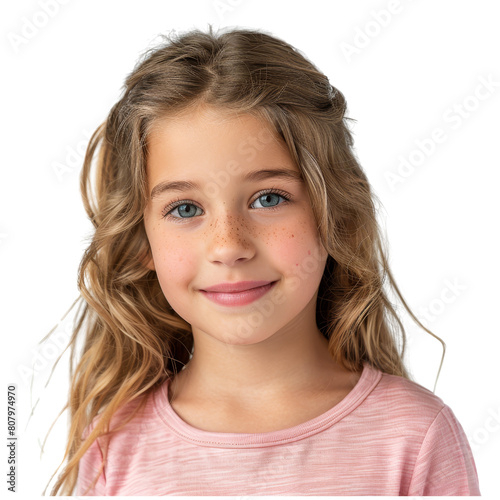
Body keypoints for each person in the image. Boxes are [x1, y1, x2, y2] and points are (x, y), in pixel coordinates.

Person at [48, 25, 480, 495]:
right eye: (186, 209)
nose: (228, 245)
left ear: (334, 213)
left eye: (268, 198)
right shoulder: (113, 446)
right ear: (139, 241)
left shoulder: (415, 436)